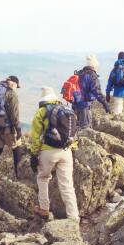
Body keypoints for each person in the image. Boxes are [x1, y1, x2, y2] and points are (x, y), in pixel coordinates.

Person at [29, 87, 79, 222]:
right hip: (66, 151)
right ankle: (74, 217)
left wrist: (34, 153)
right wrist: (71, 148)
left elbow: (35, 135)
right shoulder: (67, 110)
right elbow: (74, 133)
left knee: (43, 178)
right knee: (67, 184)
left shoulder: (42, 111)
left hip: (48, 151)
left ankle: (44, 209)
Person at [72, 54, 110, 128]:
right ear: (94, 66)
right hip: (84, 105)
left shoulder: (80, 73)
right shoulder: (92, 75)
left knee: (77, 126)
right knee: (85, 127)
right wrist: (105, 104)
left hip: (75, 104)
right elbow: (97, 92)